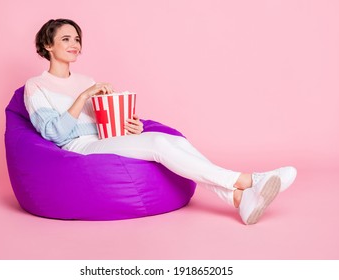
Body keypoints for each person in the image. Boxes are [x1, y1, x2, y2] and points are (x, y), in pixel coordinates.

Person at [24, 18, 297, 225]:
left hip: (103, 140)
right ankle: (247, 180)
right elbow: (54, 134)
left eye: (77, 39)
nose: (74, 45)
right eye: (66, 39)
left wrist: (130, 127)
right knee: (156, 143)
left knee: (170, 140)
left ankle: (238, 199)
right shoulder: (36, 86)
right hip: (77, 147)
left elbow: (105, 125)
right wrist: (83, 96)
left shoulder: (88, 80)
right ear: (48, 45)